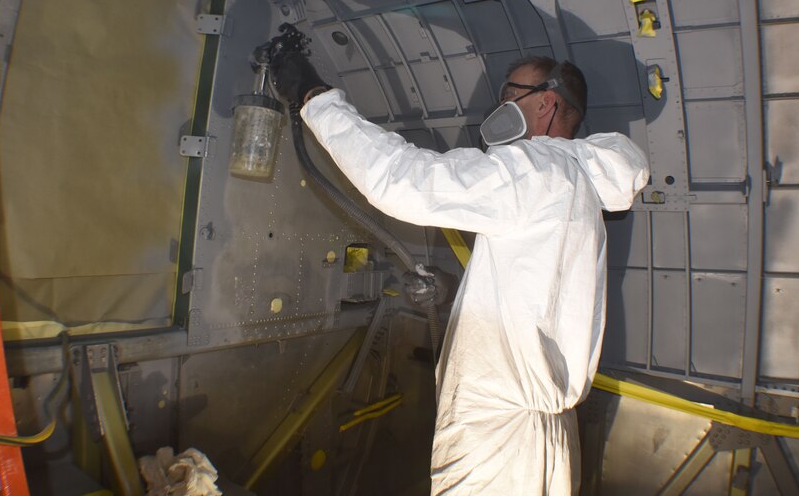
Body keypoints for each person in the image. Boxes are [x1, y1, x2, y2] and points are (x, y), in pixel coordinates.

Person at [271, 52, 649, 495]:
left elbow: (402, 179)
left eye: (510, 94)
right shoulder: (572, 184)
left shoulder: (534, 168)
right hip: (540, 436)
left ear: (546, 102)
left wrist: (315, 97)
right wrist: (449, 290)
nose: (500, 105)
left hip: (500, 441)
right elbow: (530, 293)